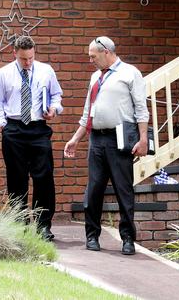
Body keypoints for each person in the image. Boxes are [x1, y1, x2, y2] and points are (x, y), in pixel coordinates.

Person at [64, 36, 149, 255]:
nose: (90, 60)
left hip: (119, 139)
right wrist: (75, 139)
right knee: (93, 190)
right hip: (96, 140)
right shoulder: (95, 77)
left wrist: (143, 139)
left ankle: (128, 239)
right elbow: (87, 114)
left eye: (93, 56)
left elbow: (141, 109)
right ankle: (92, 236)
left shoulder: (130, 73)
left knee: (123, 190)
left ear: (106, 52)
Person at [0, 35, 63, 241]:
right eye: (23, 59)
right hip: (14, 129)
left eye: (31, 58)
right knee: (16, 179)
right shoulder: (3, 73)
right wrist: (3, 124)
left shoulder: (46, 71)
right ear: (15, 53)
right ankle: (19, 224)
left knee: (44, 178)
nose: (28, 62)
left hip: (39, 128)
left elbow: (57, 95)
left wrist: (54, 109)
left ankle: (42, 226)